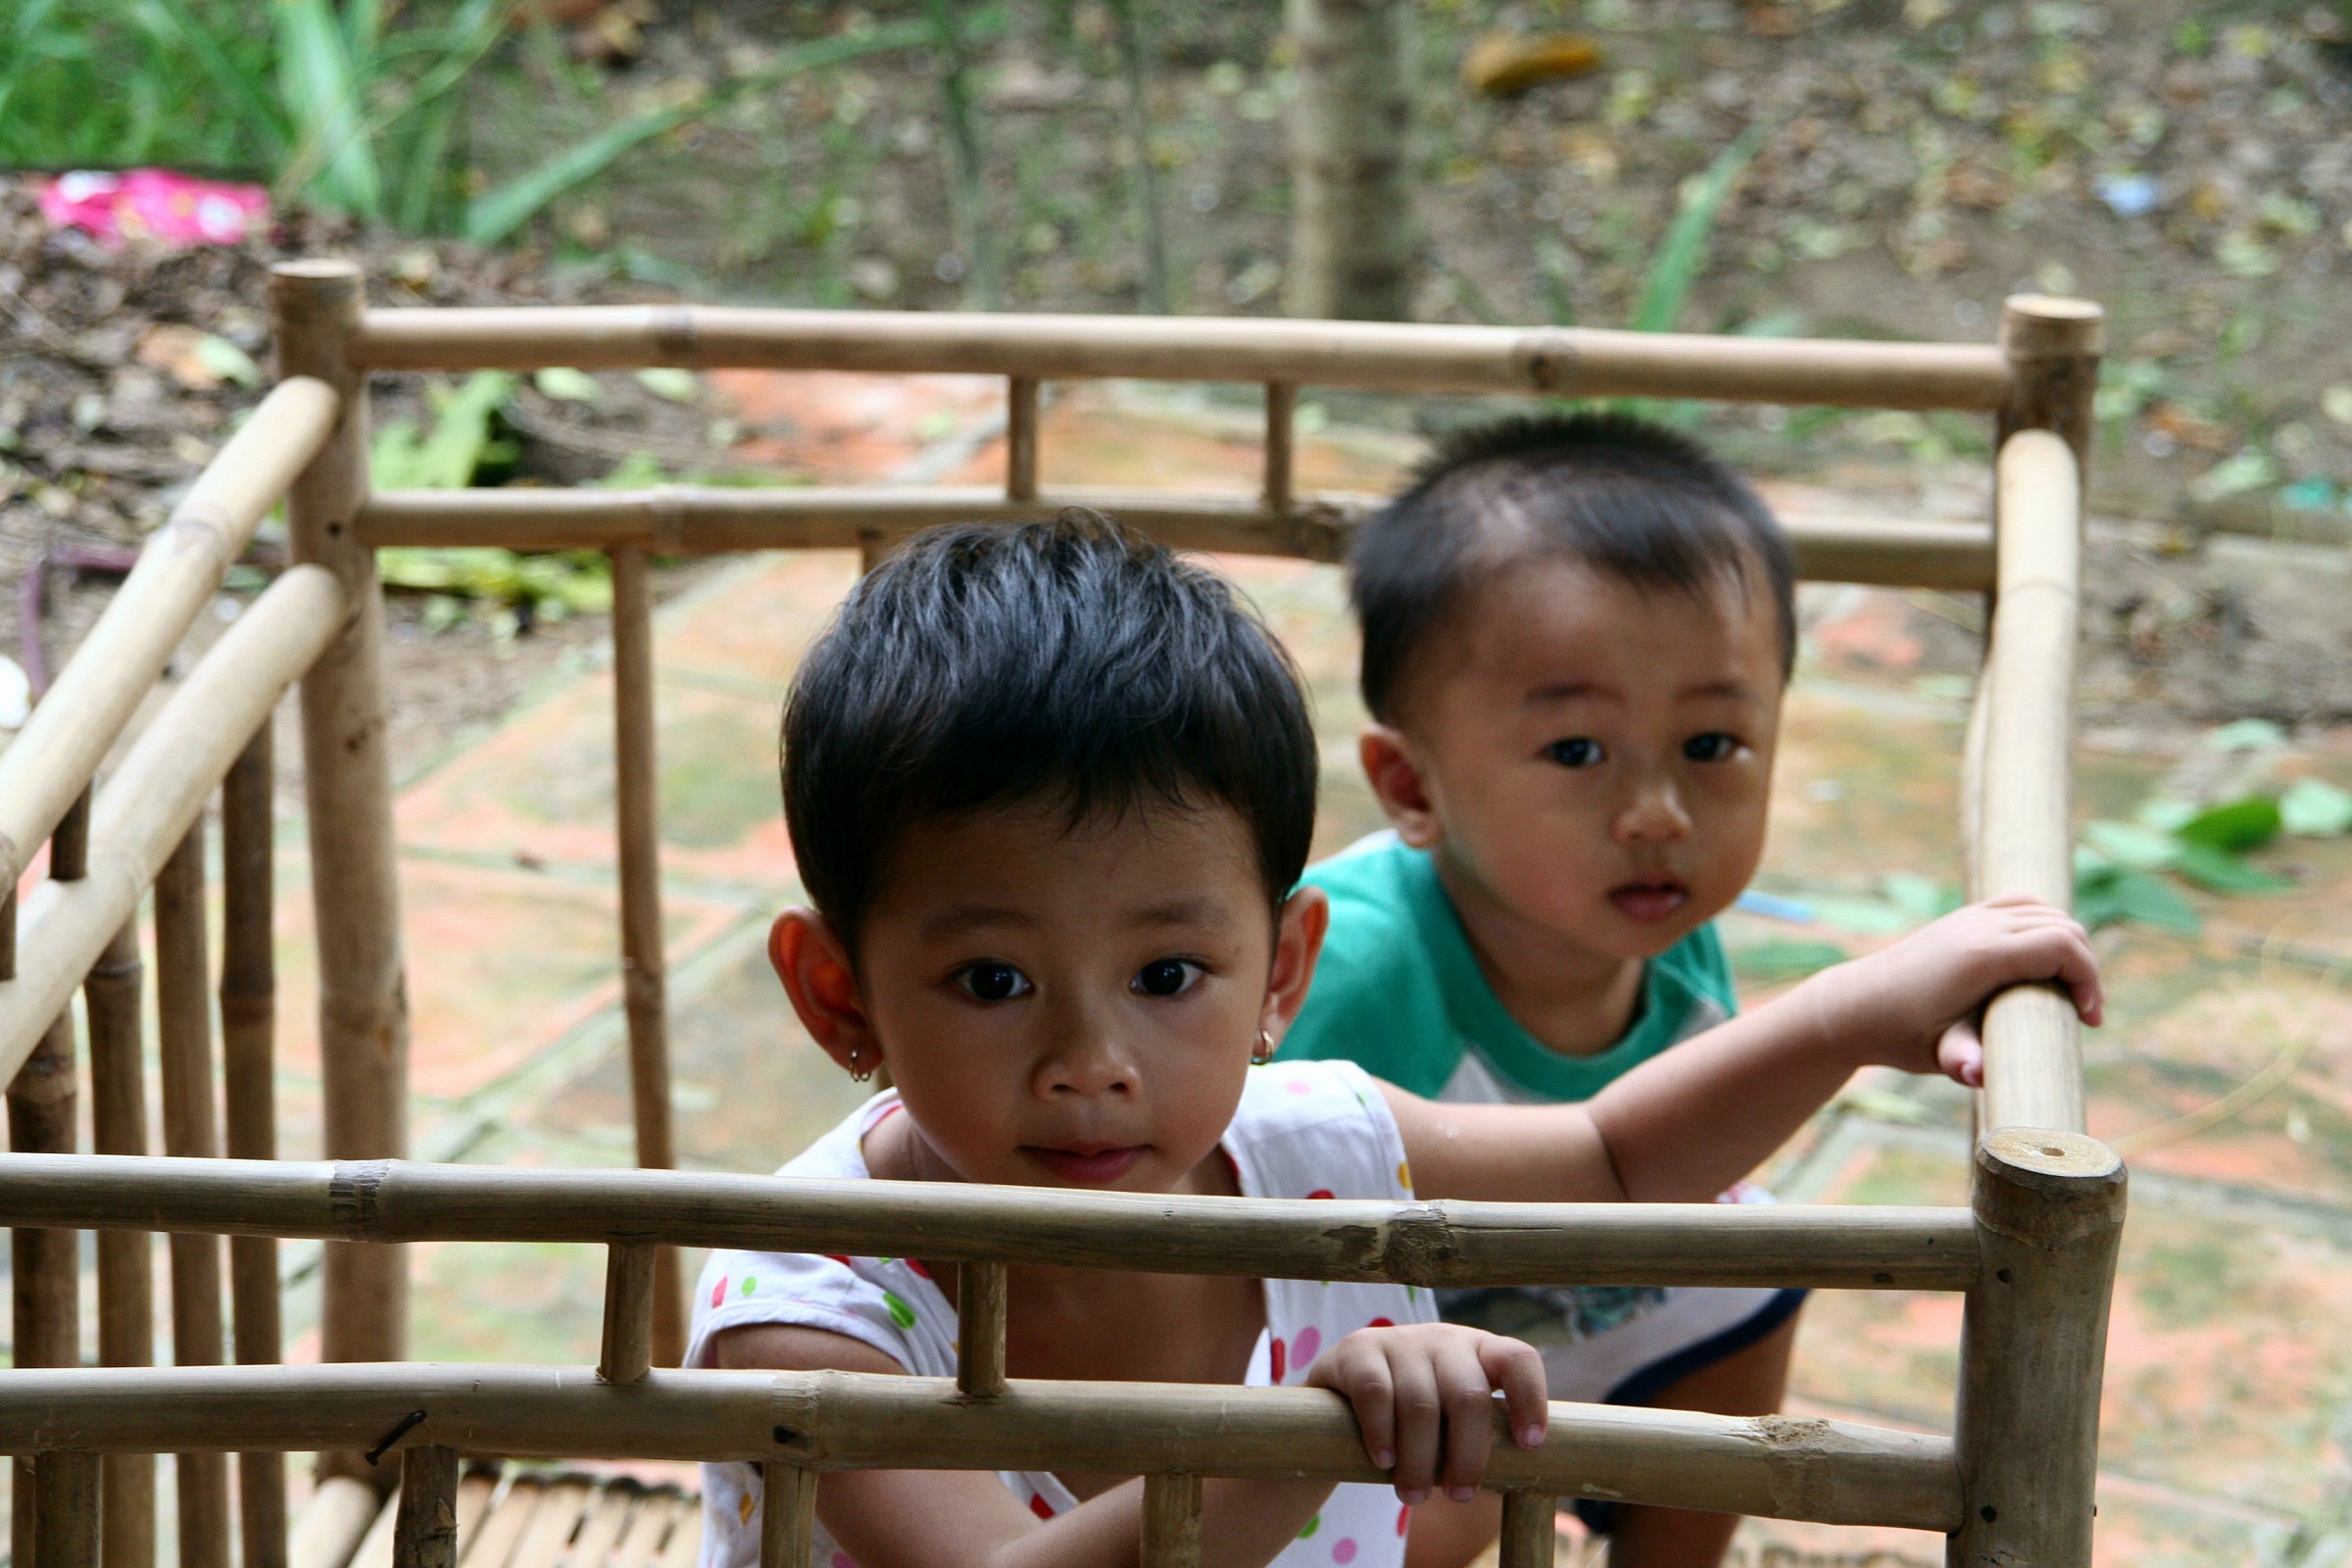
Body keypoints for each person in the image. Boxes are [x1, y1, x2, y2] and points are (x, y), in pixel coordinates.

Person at [689, 512, 2100, 1568]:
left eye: (1169, 973)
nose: (1091, 1060)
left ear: (1283, 970)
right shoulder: (812, 1314)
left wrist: (1848, 1012)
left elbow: (1616, 1162)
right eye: (993, 980)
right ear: (840, 996)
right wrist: (1299, 1442)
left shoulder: (1317, 1148)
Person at [1274, 412, 1867, 1567]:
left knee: (1751, 1275)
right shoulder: (1350, 966)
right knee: (1444, 1480)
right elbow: (1226, 1238)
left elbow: (1676, 1173)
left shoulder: (1672, 932)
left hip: (1539, 1296)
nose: (1657, 813)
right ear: (1412, 785)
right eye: (1578, 751)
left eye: (1711, 745)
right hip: (1351, 1350)